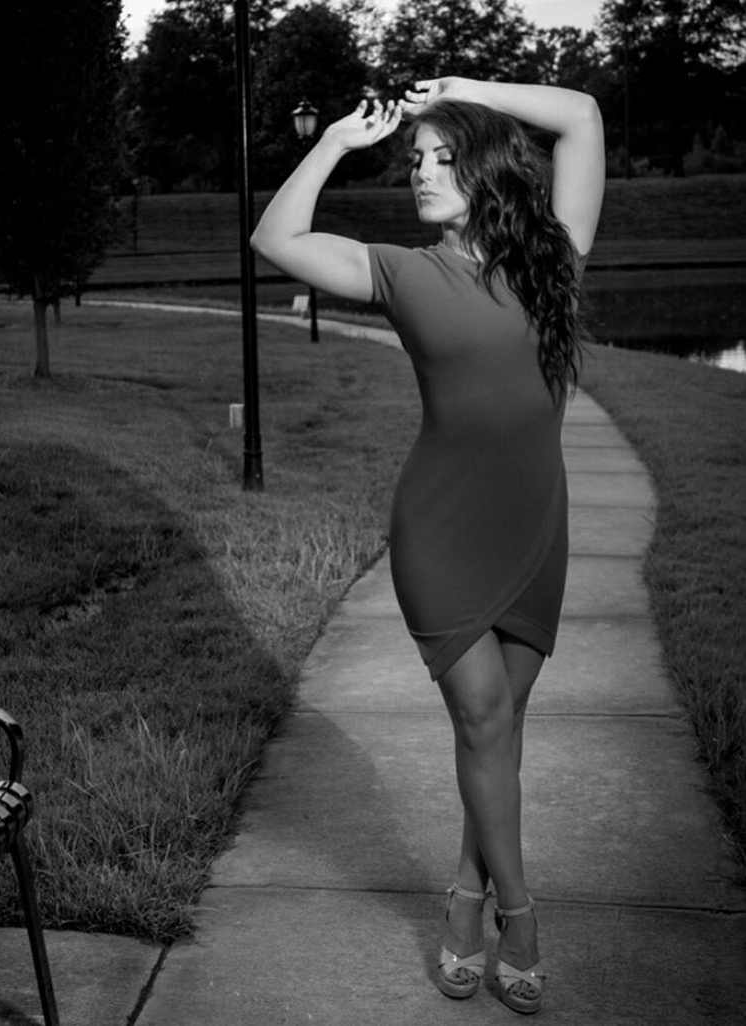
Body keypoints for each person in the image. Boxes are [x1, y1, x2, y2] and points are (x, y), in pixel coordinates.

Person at [251, 76, 605, 1015]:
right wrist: (334, 143)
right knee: (484, 719)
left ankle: (462, 897)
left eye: (444, 158)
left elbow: (579, 116)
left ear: (488, 170)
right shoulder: (402, 272)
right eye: (415, 160)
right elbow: (274, 240)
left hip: (533, 528)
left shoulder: (554, 259)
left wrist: (456, 90)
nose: (421, 172)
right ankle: (519, 919)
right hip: (439, 532)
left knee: (497, 730)